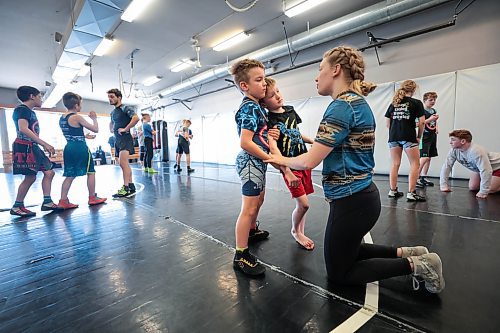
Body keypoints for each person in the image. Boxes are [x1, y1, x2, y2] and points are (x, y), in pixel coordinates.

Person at [266, 46, 445, 293]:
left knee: (340, 273)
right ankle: (410, 252)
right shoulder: (356, 103)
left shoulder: (341, 106)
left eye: (320, 69)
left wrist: (275, 156)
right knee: (349, 249)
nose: (316, 77)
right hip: (360, 197)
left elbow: (309, 162)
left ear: (336, 70)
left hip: (352, 201)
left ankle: (419, 264)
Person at [231, 59, 274, 276]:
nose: (264, 84)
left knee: (260, 199)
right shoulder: (248, 107)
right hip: (250, 162)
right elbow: (245, 141)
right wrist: (269, 157)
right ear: (244, 86)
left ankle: (251, 230)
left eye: (264, 78)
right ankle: (241, 254)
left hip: (258, 162)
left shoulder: (257, 106)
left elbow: (259, 136)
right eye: (259, 80)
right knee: (248, 209)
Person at [261, 77, 316, 250]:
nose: (277, 96)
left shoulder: (290, 110)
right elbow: (274, 149)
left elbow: (296, 133)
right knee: (304, 204)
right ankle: (295, 230)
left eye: (278, 91)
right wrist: (286, 171)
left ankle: (301, 230)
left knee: (303, 203)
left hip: (302, 161)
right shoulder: (270, 122)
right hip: (290, 167)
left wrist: (313, 141)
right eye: (271, 95)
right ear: (264, 103)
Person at [9, 86, 61, 216]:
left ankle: (47, 202)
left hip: (33, 146)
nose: (41, 99)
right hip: (25, 146)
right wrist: (44, 143)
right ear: (32, 96)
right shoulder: (22, 110)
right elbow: (23, 128)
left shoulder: (30, 111)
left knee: (49, 172)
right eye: (39, 96)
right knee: (30, 177)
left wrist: (40, 144)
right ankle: (17, 206)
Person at [57, 92, 107, 209]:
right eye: (80, 104)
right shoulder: (77, 117)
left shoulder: (62, 118)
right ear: (76, 105)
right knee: (91, 172)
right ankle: (92, 197)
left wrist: (85, 136)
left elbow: (72, 133)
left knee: (70, 174)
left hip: (69, 147)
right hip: (80, 147)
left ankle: (63, 200)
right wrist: (94, 119)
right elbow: (95, 129)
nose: (81, 107)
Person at [385, 80, 426, 202]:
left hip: (393, 137)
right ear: (413, 90)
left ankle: (393, 191)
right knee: (415, 164)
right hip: (408, 136)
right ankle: (411, 193)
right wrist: (419, 136)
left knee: (395, 164)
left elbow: (387, 123)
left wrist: (395, 130)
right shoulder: (416, 103)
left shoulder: (394, 103)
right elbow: (422, 122)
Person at [440, 129, 500, 199]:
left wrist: (483, 191)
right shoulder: (454, 150)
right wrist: (443, 185)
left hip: (497, 167)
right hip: (479, 168)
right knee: (473, 187)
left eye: (453, 140)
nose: (450, 142)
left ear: (463, 141)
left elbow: (486, 170)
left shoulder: (476, 151)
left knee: (490, 189)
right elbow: (447, 166)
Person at [107, 88, 139, 197]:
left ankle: (125, 188)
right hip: (117, 140)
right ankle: (131, 185)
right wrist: (111, 128)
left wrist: (125, 129)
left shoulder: (125, 108)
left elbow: (136, 118)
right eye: (109, 97)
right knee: (124, 164)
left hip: (125, 138)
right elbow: (111, 122)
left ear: (119, 97)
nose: (110, 99)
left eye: (112, 97)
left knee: (123, 163)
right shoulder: (113, 112)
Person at [416, 92, 439, 188]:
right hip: (424, 136)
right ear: (425, 100)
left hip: (432, 135)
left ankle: (423, 176)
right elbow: (418, 124)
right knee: (424, 157)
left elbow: (434, 121)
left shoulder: (433, 110)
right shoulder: (421, 111)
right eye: (430, 100)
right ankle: (415, 177)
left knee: (429, 158)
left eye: (434, 100)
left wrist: (436, 127)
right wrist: (429, 120)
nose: (433, 101)